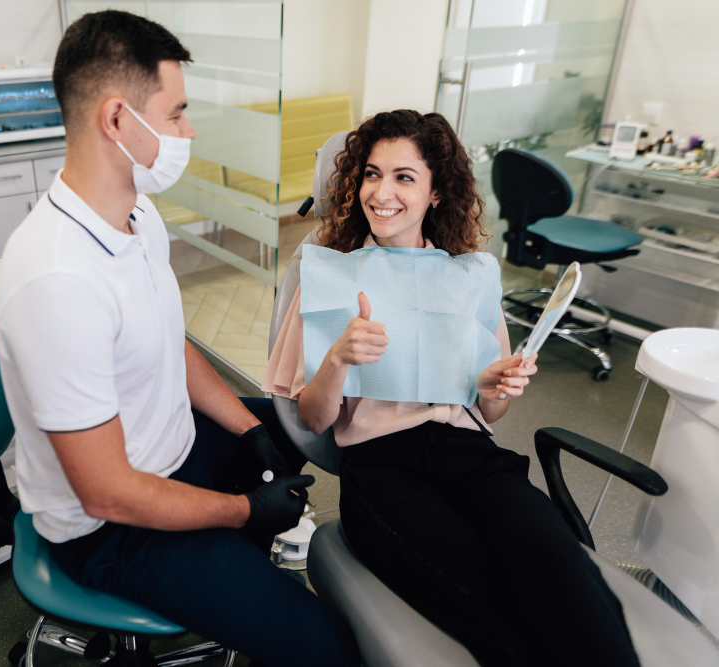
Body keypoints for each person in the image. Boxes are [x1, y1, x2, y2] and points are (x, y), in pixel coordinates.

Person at [0, 10, 359, 666]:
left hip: (173, 447)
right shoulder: (56, 279)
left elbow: (171, 342)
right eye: (177, 113)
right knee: (326, 643)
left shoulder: (135, 210)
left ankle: (233, 572)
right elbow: (107, 491)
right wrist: (243, 509)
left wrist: (252, 431)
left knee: (294, 431)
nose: (188, 132)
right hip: (112, 526)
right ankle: (233, 574)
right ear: (115, 120)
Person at [263, 110, 640, 667]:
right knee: (491, 603)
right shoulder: (331, 275)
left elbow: (494, 409)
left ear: (437, 192)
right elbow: (314, 421)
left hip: (473, 456)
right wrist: (339, 357)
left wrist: (499, 382)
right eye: (371, 174)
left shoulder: (470, 276)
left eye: (403, 177)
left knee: (561, 566)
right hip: (383, 467)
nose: (381, 192)